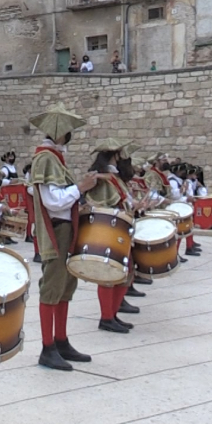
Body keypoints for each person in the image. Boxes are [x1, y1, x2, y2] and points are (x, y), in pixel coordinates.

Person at [27, 103, 98, 370]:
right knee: (52, 287)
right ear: (59, 133)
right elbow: (52, 201)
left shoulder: (55, 158)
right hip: (56, 230)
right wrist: (81, 187)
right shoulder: (45, 158)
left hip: (66, 229)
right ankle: (47, 347)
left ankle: (61, 340)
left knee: (66, 287)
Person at [83, 139, 151, 333]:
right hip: (109, 231)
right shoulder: (103, 178)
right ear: (114, 155)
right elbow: (102, 206)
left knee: (125, 271)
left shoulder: (114, 178)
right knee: (108, 274)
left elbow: (124, 202)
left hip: (121, 229)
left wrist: (137, 207)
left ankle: (112, 314)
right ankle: (106, 317)